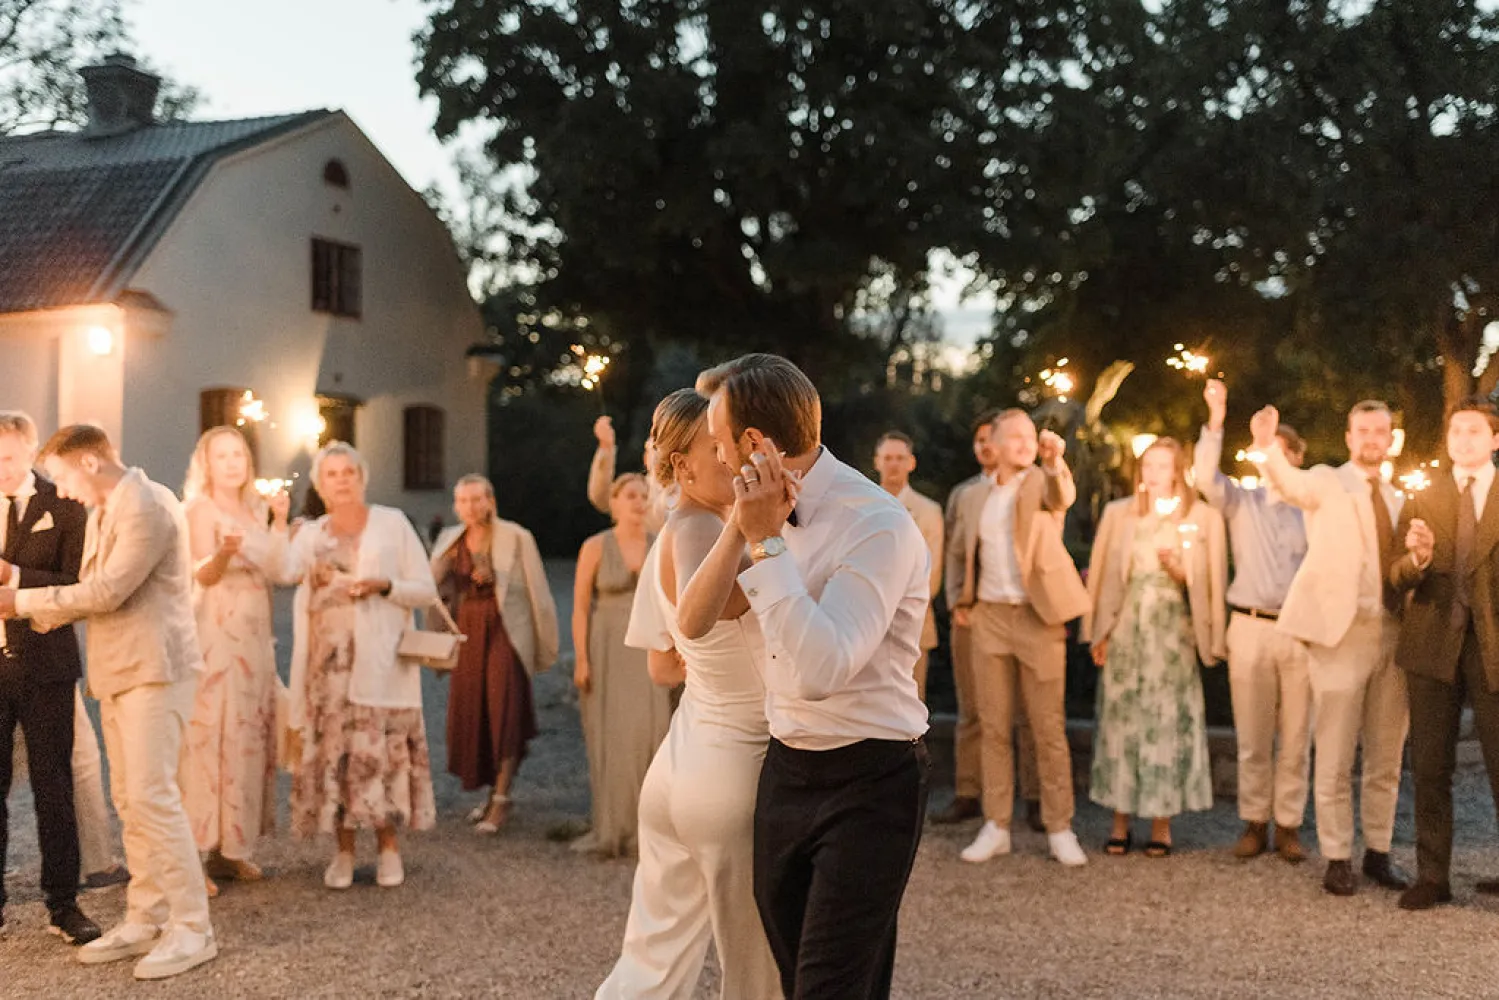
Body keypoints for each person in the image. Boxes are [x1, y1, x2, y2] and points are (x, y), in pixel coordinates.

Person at [698, 353, 929, 1000]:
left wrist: (768, 543)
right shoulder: (756, 510)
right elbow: (699, 617)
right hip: (786, 767)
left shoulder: (876, 524)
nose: (716, 460)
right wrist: (743, 530)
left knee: (826, 988)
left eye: (719, 444)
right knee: (805, 973)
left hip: (871, 778)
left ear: (752, 442)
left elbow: (825, 667)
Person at [0, 424, 215, 979]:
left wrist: (17, 601)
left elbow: (106, 591)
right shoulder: (107, 506)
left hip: (154, 671)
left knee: (154, 798)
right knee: (130, 798)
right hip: (120, 673)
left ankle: (193, 927)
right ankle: (146, 915)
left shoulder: (147, 505)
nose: (63, 491)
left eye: (65, 476)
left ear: (91, 463)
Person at [596, 389, 781, 999]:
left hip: (679, 763)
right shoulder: (703, 528)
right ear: (683, 466)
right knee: (755, 967)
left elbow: (660, 667)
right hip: (734, 770)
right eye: (717, 449)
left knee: (654, 957)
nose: (735, 459)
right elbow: (723, 607)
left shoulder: (668, 536)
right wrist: (764, 534)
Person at [1251, 401, 1412, 896]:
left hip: (1394, 633)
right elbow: (1288, 484)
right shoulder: (1326, 481)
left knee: (1386, 755)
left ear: (1390, 439)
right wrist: (1265, 445)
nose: (1371, 438)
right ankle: (1338, 855)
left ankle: (1379, 852)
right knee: (1336, 752)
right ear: (1349, 437)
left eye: (1379, 431)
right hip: (1341, 635)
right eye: (1362, 430)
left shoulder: (1400, 497)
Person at [282, 442, 437, 890]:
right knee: (337, 754)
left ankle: (388, 846)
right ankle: (344, 850)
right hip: (325, 669)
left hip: (379, 662)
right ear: (320, 485)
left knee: (377, 754)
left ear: (362, 477)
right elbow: (286, 573)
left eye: (349, 471)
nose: (342, 479)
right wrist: (281, 529)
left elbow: (424, 588)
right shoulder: (311, 533)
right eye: (332, 474)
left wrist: (384, 585)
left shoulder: (392, 523)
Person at [948, 409, 1092, 867]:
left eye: (1031, 435)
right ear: (993, 441)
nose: (1026, 442)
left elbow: (1061, 493)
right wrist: (959, 602)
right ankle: (997, 826)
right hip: (989, 618)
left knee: (1048, 727)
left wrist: (1053, 461)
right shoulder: (974, 497)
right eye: (1017, 436)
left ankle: (1060, 827)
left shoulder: (1039, 482)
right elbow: (957, 552)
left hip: (1038, 618)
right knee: (993, 726)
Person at [1085, 437, 1226, 858]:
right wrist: (1099, 632)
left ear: (1178, 471)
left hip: (1171, 637)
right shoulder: (1119, 514)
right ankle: (1120, 820)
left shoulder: (1200, 517)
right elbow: (1103, 578)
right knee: (1122, 721)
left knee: (1165, 722)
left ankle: (1162, 824)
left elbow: (1212, 582)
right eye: (1148, 465)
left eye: (1163, 465)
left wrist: (1182, 571)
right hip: (1128, 628)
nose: (1153, 473)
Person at [1194, 379, 1312, 863]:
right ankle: (1253, 821)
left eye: (1277, 451)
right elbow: (1204, 479)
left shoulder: (1312, 507)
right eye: (1261, 450)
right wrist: (1217, 418)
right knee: (1253, 735)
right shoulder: (1242, 500)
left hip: (1302, 630)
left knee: (1297, 735)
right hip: (1249, 627)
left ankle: (1288, 825)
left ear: (1295, 460)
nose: (1266, 458)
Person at [1389, 398, 1499, 909]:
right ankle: (1432, 875)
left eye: (1474, 431)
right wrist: (1417, 560)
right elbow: (1394, 575)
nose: (1464, 439)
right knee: (1430, 767)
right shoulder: (1423, 495)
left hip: (1493, 648)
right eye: (1456, 430)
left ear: (1495, 439)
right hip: (1432, 643)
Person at [0, 411, 100, 945]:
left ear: (31, 453)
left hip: (45, 664)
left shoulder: (61, 503)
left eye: (9, 456)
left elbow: (78, 581)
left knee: (52, 788)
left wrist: (15, 580)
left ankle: (63, 904)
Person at [179, 427, 290, 898]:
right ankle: (193, 855)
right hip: (214, 637)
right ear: (206, 463)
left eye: (239, 455)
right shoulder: (198, 510)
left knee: (246, 736)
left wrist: (281, 520)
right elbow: (199, 574)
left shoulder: (257, 509)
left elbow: (280, 570)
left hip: (253, 639)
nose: (232, 463)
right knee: (209, 738)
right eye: (222, 455)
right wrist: (223, 554)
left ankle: (230, 849)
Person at [430, 475, 558, 833]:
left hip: (505, 629)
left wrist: (542, 642)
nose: (470, 507)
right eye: (464, 501)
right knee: (475, 712)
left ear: (490, 500)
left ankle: (501, 799)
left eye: (477, 499)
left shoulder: (516, 536)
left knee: (504, 710)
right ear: (456, 506)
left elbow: (538, 591)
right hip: (469, 632)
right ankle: (491, 795)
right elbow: (436, 590)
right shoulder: (450, 540)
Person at [934, 410, 1042, 829]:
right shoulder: (962, 494)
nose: (983, 447)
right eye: (977, 440)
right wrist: (958, 603)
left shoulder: (1029, 486)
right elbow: (954, 551)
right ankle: (968, 792)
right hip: (973, 615)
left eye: (988, 439)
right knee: (972, 708)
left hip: (1021, 612)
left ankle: (1034, 797)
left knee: (1027, 713)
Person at [571, 473, 671, 857]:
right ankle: (612, 828)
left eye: (644, 496)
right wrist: (581, 658)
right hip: (608, 643)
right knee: (612, 738)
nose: (638, 502)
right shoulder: (595, 547)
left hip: (649, 645)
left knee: (652, 734)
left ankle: (650, 831)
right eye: (630, 495)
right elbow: (580, 607)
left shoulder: (660, 543)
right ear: (613, 502)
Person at [874, 432, 943, 700]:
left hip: (912, 625)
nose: (894, 464)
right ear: (877, 462)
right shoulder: (860, 505)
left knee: (910, 704)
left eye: (900, 458)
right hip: (865, 624)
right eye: (888, 458)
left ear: (911, 463)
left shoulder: (929, 512)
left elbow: (932, 574)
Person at [588, 415, 668, 534]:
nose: (660, 456)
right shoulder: (639, 488)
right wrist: (606, 447)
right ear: (645, 458)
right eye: (653, 449)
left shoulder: (692, 489)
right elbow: (601, 497)